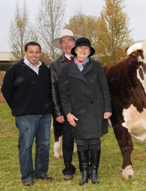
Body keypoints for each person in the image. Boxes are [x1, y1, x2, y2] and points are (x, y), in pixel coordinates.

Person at [59, 37, 112, 185]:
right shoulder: (66, 69)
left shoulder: (96, 65)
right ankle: (84, 173)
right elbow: (64, 93)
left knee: (95, 141)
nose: (83, 50)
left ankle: (93, 172)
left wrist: (107, 108)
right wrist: (68, 112)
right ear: (75, 50)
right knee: (81, 142)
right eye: (80, 48)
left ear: (89, 52)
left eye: (86, 49)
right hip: (77, 111)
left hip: (95, 109)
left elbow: (104, 88)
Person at [1, 42, 53, 186]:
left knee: (44, 144)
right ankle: (27, 176)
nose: (34, 55)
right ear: (25, 52)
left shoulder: (45, 69)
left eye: (37, 52)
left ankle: (41, 172)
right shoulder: (15, 69)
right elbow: (6, 90)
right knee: (26, 146)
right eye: (31, 52)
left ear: (40, 53)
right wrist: (18, 107)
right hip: (26, 116)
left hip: (45, 115)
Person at [50, 29, 81, 180]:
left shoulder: (85, 59)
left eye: (70, 41)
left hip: (84, 109)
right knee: (68, 139)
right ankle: (68, 169)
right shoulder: (55, 64)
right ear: (60, 45)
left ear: (75, 43)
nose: (67, 44)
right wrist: (58, 112)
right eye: (64, 42)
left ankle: (85, 167)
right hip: (66, 108)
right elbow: (53, 89)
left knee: (84, 139)